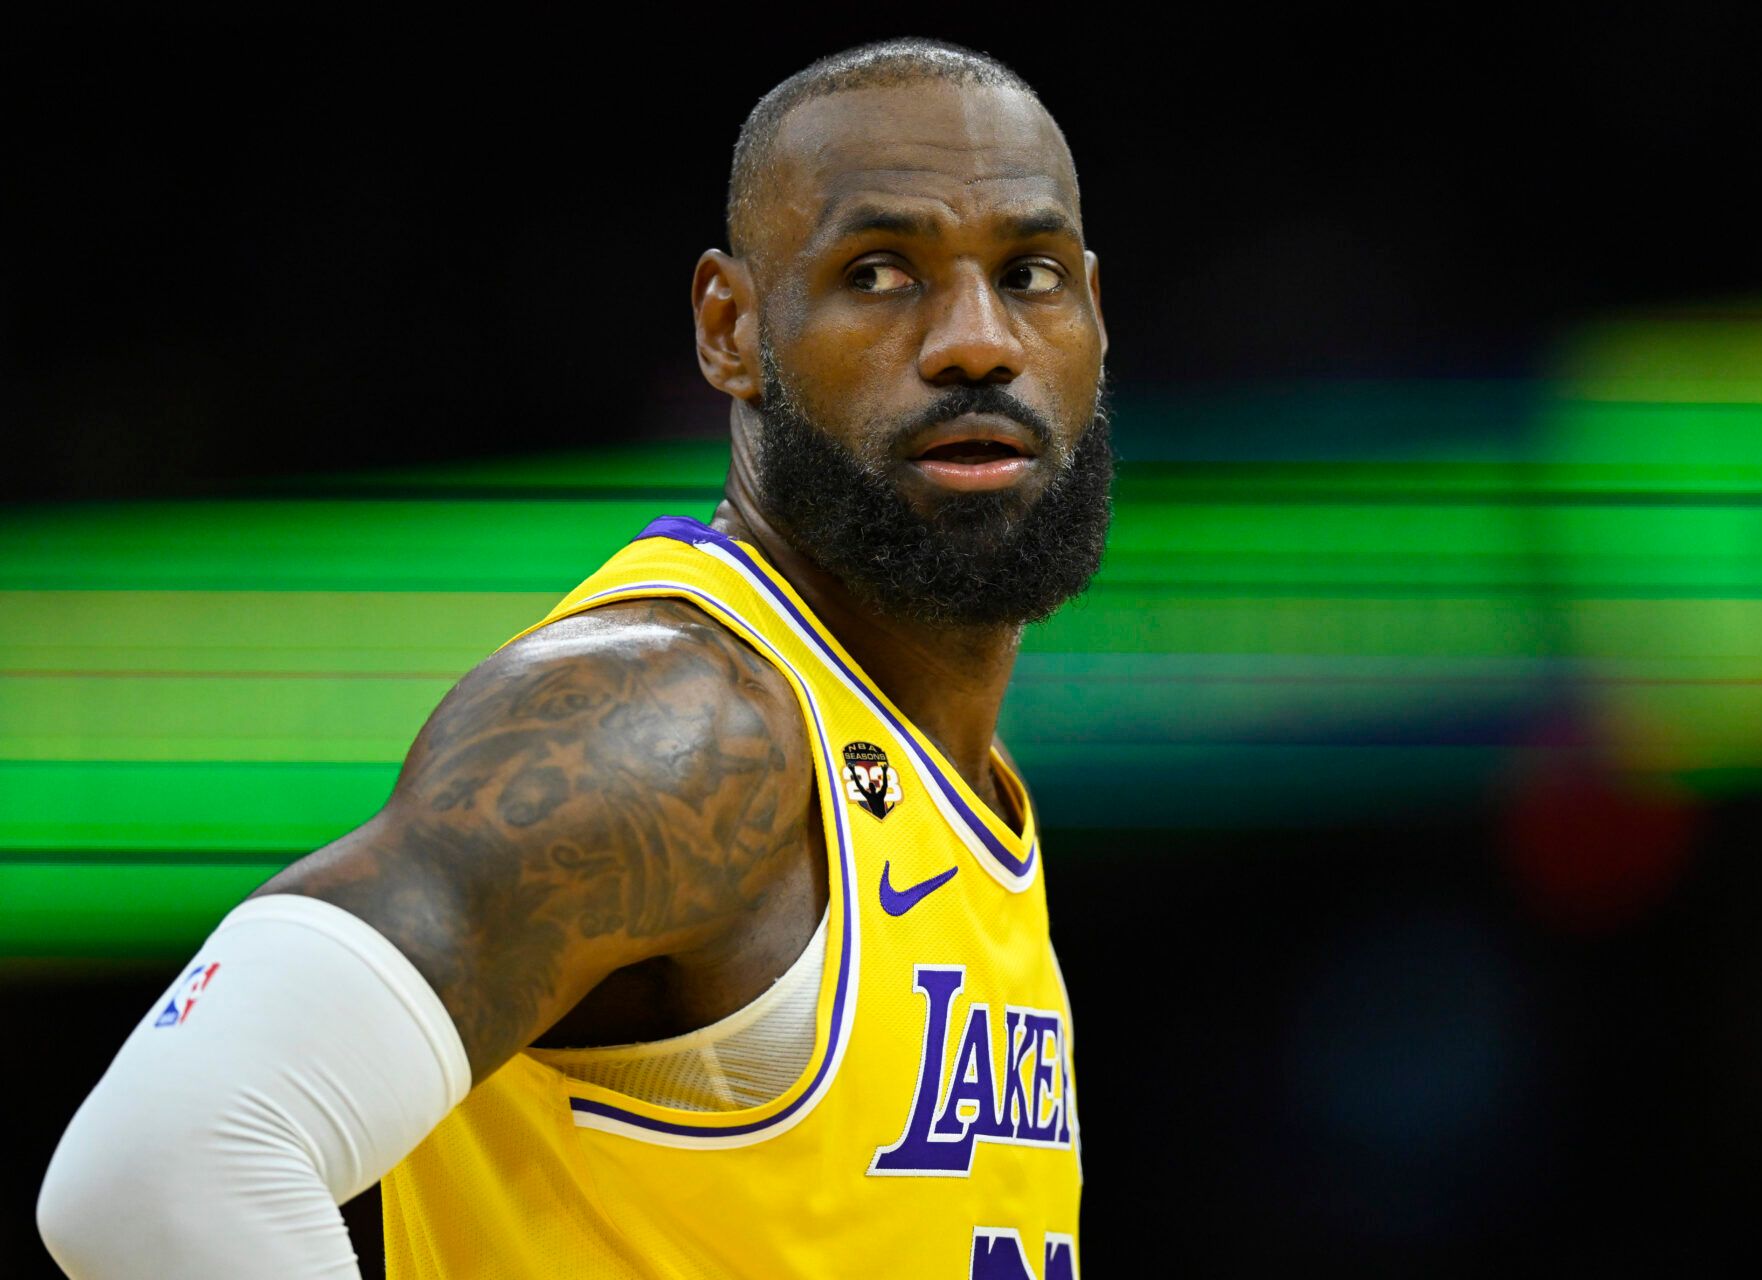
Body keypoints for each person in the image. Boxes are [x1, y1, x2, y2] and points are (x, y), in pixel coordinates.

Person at [36, 36, 1110, 1280]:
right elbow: (163, 1165)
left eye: (1028, 273)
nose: (976, 340)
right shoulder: (673, 720)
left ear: (1094, 313)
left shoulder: (943, 775)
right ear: (730, 328)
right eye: (881, 273)